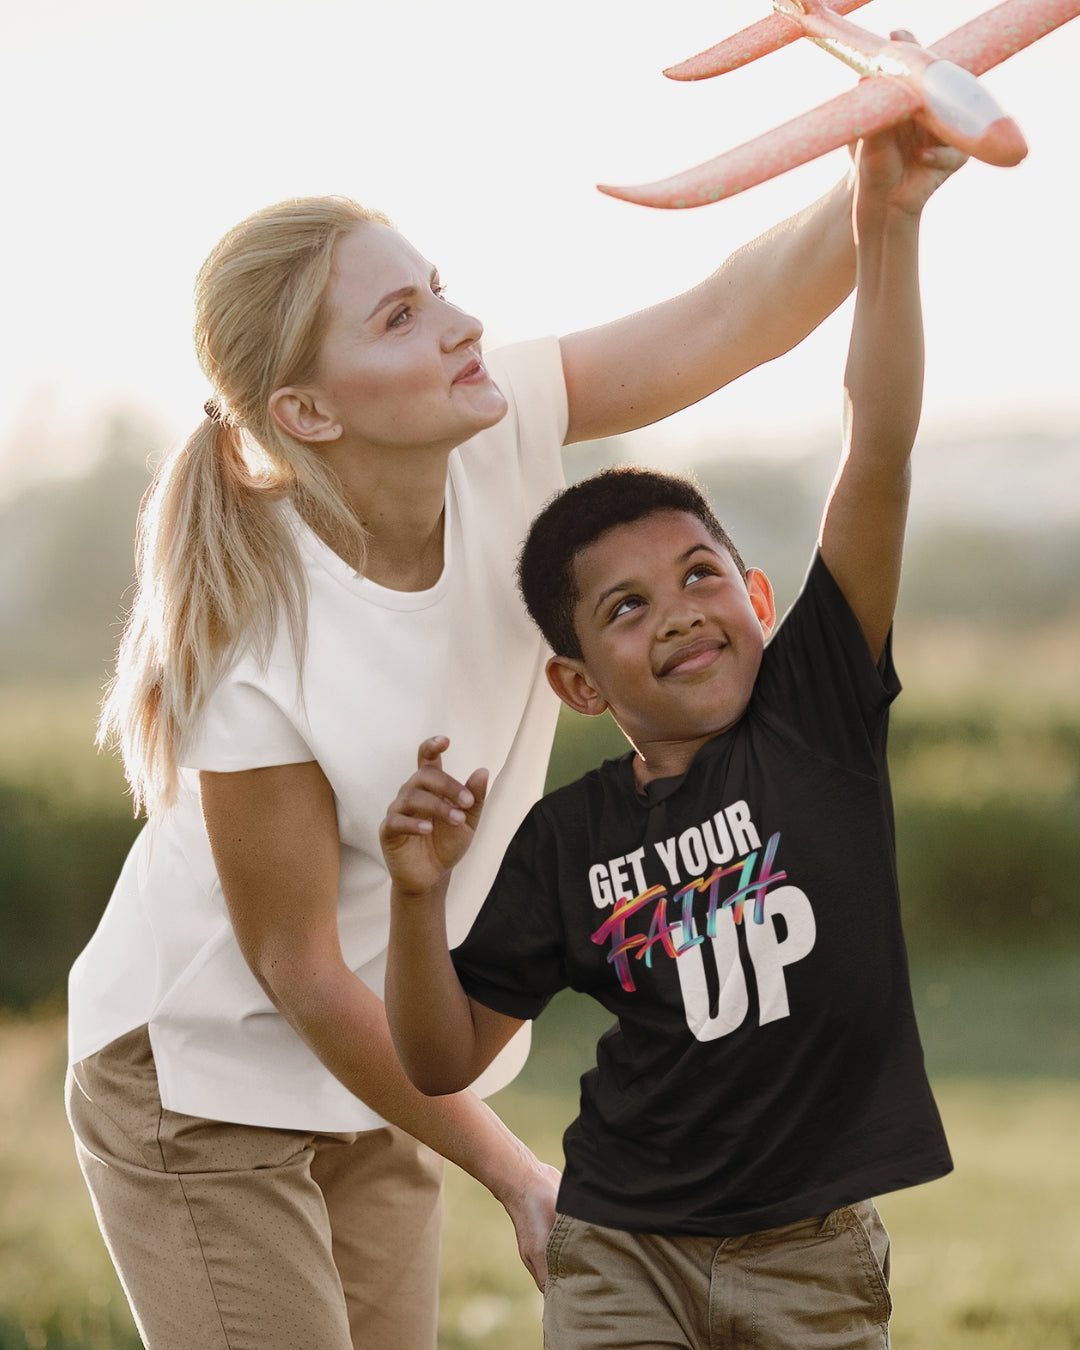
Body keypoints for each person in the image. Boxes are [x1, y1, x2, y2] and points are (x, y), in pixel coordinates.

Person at [65, 164, 864, 1350]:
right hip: (198, 1076)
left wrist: (881, 176)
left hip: (383, 1065)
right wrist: (516, 1170)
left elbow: (732, 311)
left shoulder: (502, 424)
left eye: (435, 290)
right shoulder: (258, 646)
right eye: (401, 319)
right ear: (308, 414)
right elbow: (297, 966)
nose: (461, 326)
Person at [380, 124, 963, 1349]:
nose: (682, 614)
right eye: (627, 607)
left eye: (702, 576)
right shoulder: (568, 839)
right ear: (580, 684)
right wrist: (415, 896)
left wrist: (888, 225)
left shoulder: (816, 715)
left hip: (814, 1258)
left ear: (759, 602)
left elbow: (878, 449)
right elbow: (440, 1060)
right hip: (621, 1250)